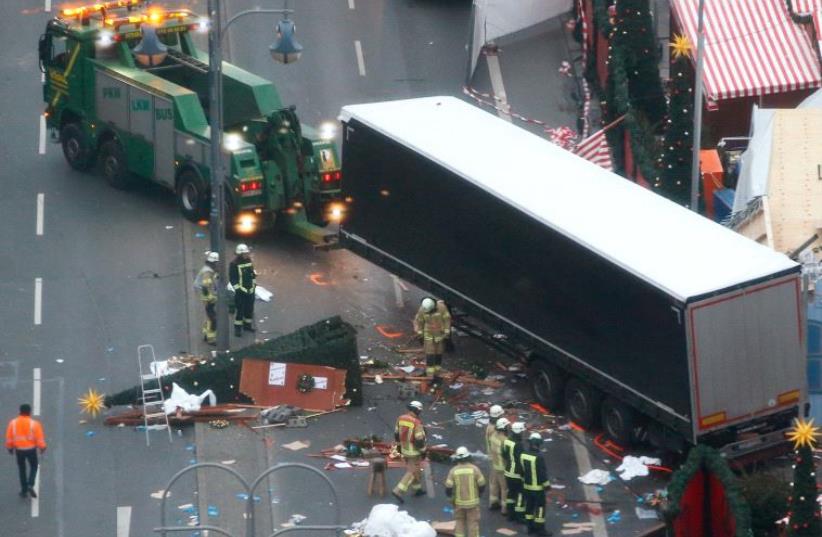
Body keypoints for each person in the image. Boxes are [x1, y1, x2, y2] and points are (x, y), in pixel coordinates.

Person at [5, 404, 47, 498]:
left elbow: (9, 438)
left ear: (19, 411)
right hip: (31, 450)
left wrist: (10, 448)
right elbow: (39, 438)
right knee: (34, 466)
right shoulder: (34, 424)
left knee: (22, 469)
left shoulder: (13, 423)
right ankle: (30, 484)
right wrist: (42, 447)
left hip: (19, 450)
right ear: (29, 412)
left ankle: (24, 490)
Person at [445, 446, 486, 537]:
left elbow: (448, 487)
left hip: (459, 503)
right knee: (472, 523)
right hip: (473, 503)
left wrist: (450, 498)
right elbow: (482, 484)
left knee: (460, 522)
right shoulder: (474, 469)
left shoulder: (453, 471)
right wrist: (479, 494)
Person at [392, 400, 427, 503]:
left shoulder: (401, 418)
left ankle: (417, 489)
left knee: (415, 470)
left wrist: (398, 446)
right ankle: (398, 490)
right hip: (414, 452)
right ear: (417, 410)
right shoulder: (417, 423)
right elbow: (419, 440)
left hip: (404, 449)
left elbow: (396, 433)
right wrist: (423, 451)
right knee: (413, 471)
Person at [519, 432, 551, 535]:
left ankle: (530, 527)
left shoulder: (523, 455)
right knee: (540, 508)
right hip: (537, 489)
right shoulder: (539, 457)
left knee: (529, 507)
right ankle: (540, 530)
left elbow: (521, 470)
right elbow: (542, 474)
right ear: (538, 444)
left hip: (526, 487)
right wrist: (547, 486)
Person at [413, 297, 451, 378]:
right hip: (428, 334)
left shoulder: (441, 307)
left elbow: (447, 319)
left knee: (439, 352)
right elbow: (419, 321)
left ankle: (437, 370)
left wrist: (447, 331)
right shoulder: (423, 309)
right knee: (430, 353)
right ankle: (430, 374)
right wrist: (420, 334)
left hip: (440, 334)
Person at [228, 243, 256, 337]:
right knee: (240, 310)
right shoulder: (234, 264)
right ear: (239, 254)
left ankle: (247, 326)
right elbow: (232, 278)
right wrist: (238, 289)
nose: (246, 255)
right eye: (244, 253)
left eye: (246, 253)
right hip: (240, 292)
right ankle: (238, 328)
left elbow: (251, 273)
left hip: (250, 289)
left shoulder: (248, 260)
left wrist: (254, 283)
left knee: (249, 309)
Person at [194, 251, 219, 345]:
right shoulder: (207, 272)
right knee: (212, 319)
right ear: (214, 262)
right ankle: (211, 338)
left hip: (207, 297)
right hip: (207, 299)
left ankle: (206, 334)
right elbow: (205, 287)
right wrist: (210, 297)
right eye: (217, 262)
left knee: (209, 317)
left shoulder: (209, 270)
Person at [502, 421, 526, 522]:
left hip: (508, 471)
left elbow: (504, 454)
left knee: (511, 493)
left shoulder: (507, 441)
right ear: (519, 432)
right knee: (520, 494)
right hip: (516, 473)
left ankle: (510, 515)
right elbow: (521, 460)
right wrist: (523, 473)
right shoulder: (519, 445)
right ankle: (519, 516)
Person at [485, 405, 505, 510]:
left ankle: (493, 500)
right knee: (503, 483)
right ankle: (503, 505)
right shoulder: (496, 431)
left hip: (492, 457)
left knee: (493, 481)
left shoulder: (489, 426)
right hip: (499, 459)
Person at [488, 417, 510, 514]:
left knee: (494, 484)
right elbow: (508, 455)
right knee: (504, 488)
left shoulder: (493, 436)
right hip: (503, 467)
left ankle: (493, 502)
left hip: (495, 465)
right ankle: (504, 509)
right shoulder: (505, 440)